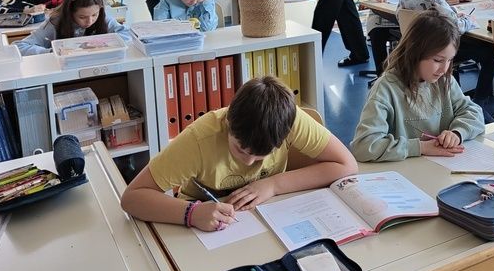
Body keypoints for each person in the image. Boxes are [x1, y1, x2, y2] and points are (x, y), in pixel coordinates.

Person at [120, 76, 358, 232]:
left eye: (262, 156)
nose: (249, 162)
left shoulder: (290, 119)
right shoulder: (199, 139)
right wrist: (191, 214)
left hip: (269, 216)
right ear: (228, 123)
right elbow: (132, 197)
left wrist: (274, 185)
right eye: (240, 150)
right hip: (203, 220)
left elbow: (347, 164)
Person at [351, 11, 484, 162]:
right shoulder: (386, 89)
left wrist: (457, 133)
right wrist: (421, 147)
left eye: (449, 60)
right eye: (438, 60)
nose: (444, 69)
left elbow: (474, 113)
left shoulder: (444, 81)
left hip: (441, 168)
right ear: (415, 52)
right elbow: (363, 146)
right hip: (404, 175)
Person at [398, 0, 494, 101]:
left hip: (418, 48)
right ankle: (480, 101)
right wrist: (470, 20)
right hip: (439, 49)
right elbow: (456, 27)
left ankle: (455, 96)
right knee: (490, 52)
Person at [15, 0, 130, 56]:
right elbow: (20, 46)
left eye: (94, 15)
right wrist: (52, 52)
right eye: (82, 17)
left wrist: (105, 44)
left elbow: (127, 35)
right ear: (69, 13)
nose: (89, 21)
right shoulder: (55, 22)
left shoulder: (103, 18)